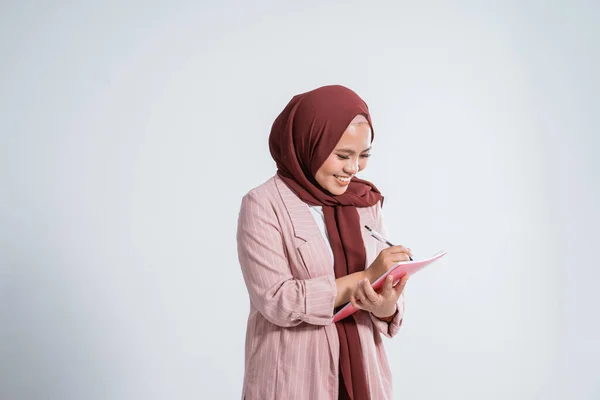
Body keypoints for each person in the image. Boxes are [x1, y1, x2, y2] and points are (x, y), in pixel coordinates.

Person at [237, 85, 412, 399]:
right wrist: (365, 278)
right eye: (343, 155)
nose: (353, 168)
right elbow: (277, 300)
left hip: (363, 376)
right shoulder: (264, 204)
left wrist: (385, 306)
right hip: (294, 379)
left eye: (363, 156)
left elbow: (382, 297)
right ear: (310, 143)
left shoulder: (365, 202)